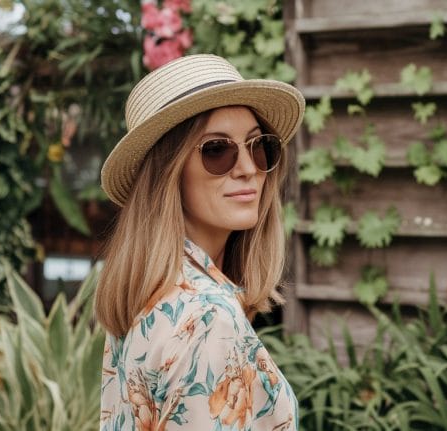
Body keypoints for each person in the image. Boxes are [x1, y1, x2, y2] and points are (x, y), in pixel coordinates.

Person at [95, 54, 305, 430]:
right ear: (168, 173)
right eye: (217, 150)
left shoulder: (145, 295)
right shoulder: (208, 318)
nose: (247, 168)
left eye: (258, 146)